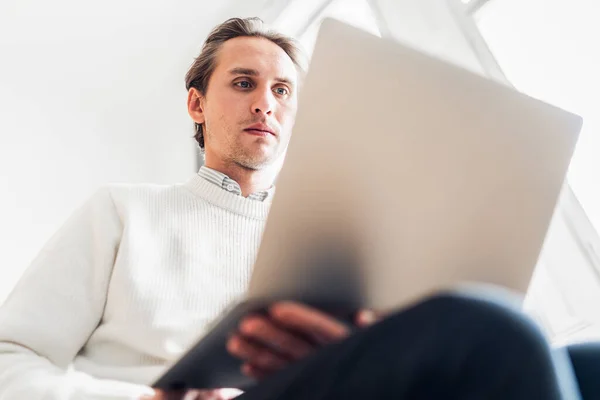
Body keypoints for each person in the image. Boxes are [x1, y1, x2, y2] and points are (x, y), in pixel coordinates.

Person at [0, 16, 597, 400]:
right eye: (243, 82)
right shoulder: (122, 212)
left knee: (587, 364)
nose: (266, 102)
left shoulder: (333, 236)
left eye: (282, 90)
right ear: (196, 104)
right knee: (494, 330)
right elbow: (10, 359)